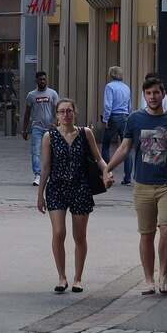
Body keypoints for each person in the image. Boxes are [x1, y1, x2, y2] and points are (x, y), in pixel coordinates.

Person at [105, 77, 167, 295]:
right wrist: (108, 167)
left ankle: (164, 274)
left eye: (156, 93)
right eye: (148, 93)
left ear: (163, 94)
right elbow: (124, 148)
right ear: (144, 96)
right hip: (143, 185)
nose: (152, 97)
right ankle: (148, 280)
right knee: (147, 234)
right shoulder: (135, 119)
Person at [37, 99, 109, 293]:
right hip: (56, 188)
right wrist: (40, 194)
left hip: (81, 187)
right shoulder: (49, 136)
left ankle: (78, 278)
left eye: (69, 111)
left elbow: (98, 158)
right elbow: (45, 167)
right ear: (57, 115)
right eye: (62, 111)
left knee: (80, 236)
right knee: (58, 232)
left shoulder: (86, 133)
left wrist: (106, 172)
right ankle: (62, 277)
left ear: (75, 112)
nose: (65, 114)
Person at [23, 71, 60, 186]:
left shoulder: (53, 94)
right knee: (36, 151)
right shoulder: (31, 95)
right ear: (36, 81)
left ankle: (52, 174)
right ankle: (38, 175)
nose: (42, 81)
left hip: (51, 128)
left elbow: (58, 110)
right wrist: (24, 129)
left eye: (44, 79)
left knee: (53, 152)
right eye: (40, 80)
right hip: (37, 127)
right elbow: (27, 113)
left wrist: (55, 122)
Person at [101, 66, 132, 185]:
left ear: (111, 75)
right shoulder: (126, 87)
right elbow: (129, 105)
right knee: (126, 147)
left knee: (105, 146)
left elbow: (108, 105)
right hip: (125, 117)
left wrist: (105, 119)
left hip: (113, 117)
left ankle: (107, 172)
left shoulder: (109, 86)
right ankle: (127, 177)